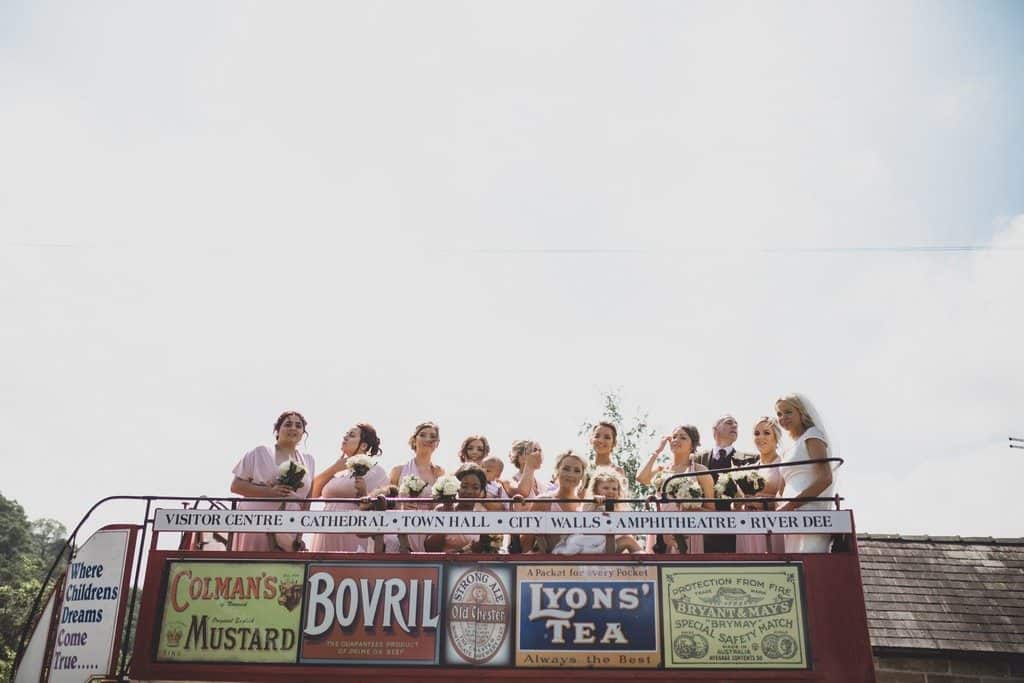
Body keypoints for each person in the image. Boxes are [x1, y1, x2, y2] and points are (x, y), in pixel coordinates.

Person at [229, 411, 316, 552]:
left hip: (289, 526)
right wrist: (269, 492)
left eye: (298, 426)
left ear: (303, 433)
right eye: (288, 424)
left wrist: (299, 536)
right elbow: (236, 486)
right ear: (277, 429)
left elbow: (307, 503)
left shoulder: (309, 461)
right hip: (256, 521)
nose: (293, 428)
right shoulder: (260, 452)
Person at [636, 424, 714, 554]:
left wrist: (690, 510)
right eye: (674, 437)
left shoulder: (700, 471)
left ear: (692, 445)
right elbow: (641, 478)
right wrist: (657, 451)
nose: (676, 440)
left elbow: (711, 510)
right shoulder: (662, 469)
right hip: (660, 528)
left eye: (683, 437)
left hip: (687, 530)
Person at [776, 394, 837, 553]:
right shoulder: (787, 448)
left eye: (788, 412)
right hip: (789, 518)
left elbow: (825, 478)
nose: (783, 418)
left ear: (801, 412)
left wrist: (790, 505)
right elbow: (782, 487)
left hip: (810, 514)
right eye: (779, 414)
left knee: (810, 562)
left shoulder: (812, 436)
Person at [309, 423, 384, 552]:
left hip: (352, 533)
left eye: (352, 435)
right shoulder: (339, 472)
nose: (345, 437)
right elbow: (312, 492)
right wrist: (334, 468)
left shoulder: (375, 471)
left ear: (364, 445)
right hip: (326, 532)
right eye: (346, 435)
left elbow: (376, 504)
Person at [693, 414, 756, 553]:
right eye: (729, 422)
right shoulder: (697, 459)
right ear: (715, 430)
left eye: (736, 424)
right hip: (703, 528)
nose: (734, 426)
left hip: (736, 528)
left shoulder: (750, 460)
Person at [389, 421, 444, 552]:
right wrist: (401, 505)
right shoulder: (398, 470)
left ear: (437, 444)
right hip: (402, 527)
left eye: (432, 436)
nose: (428, 439)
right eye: (423, 435)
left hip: (429, 528)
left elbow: (441, 505)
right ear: (414, 440)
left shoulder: (440, 472)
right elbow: (388, 501)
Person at [735, 418, 786, 554]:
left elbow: (784, 503)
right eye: (757, 433)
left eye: (766, 433)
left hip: (770, 528)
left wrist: (755, 502)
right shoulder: (748, 469)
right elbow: (736, 504)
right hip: (746, 528)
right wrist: (736, 502)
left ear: (776, 438)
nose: (760, 437)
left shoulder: (784, 466)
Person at [520, 450, 587, 554]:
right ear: (557, 471)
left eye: (577, 471)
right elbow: (526, 540)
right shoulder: (543, 501)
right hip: (549, 567)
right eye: (566, 469)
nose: (571, 474)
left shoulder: (585, 505)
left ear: (582, 476)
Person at [424, 463, 491, 553]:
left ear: (481, 491)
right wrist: (447, 517)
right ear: (456, 486)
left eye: (475, 487)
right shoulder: (441, 510)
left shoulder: (483, 515)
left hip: (472, 566)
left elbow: (485, 548)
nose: (469, 492)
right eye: (464, 486)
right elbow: (430, 548)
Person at [582, 468, 643, 554]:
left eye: (614, 489)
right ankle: (647, 563)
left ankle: (641, 559)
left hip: (610, 545)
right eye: (606, 488)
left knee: (629, 539)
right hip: (594, 547)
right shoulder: (591, 504)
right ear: (595, 490)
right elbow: (584, 517)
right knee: (628, 540)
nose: (611, 491)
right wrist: (594, 502)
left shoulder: (619, 508)